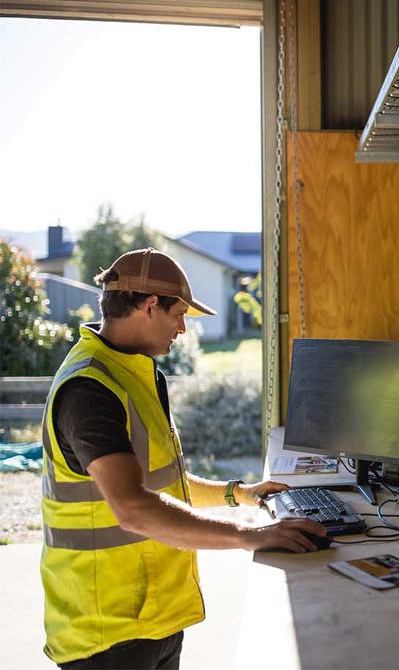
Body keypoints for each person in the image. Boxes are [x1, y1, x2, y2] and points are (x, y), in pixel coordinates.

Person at [39, 248, 326, 669]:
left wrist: (240, 494)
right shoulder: (90, 390)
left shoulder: (138, 371)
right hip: (106, 632)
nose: (183, 328)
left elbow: (161, 484)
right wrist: (250, 537)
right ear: (150, 305)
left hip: (155, 617)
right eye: (179, 314)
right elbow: (134, 507)